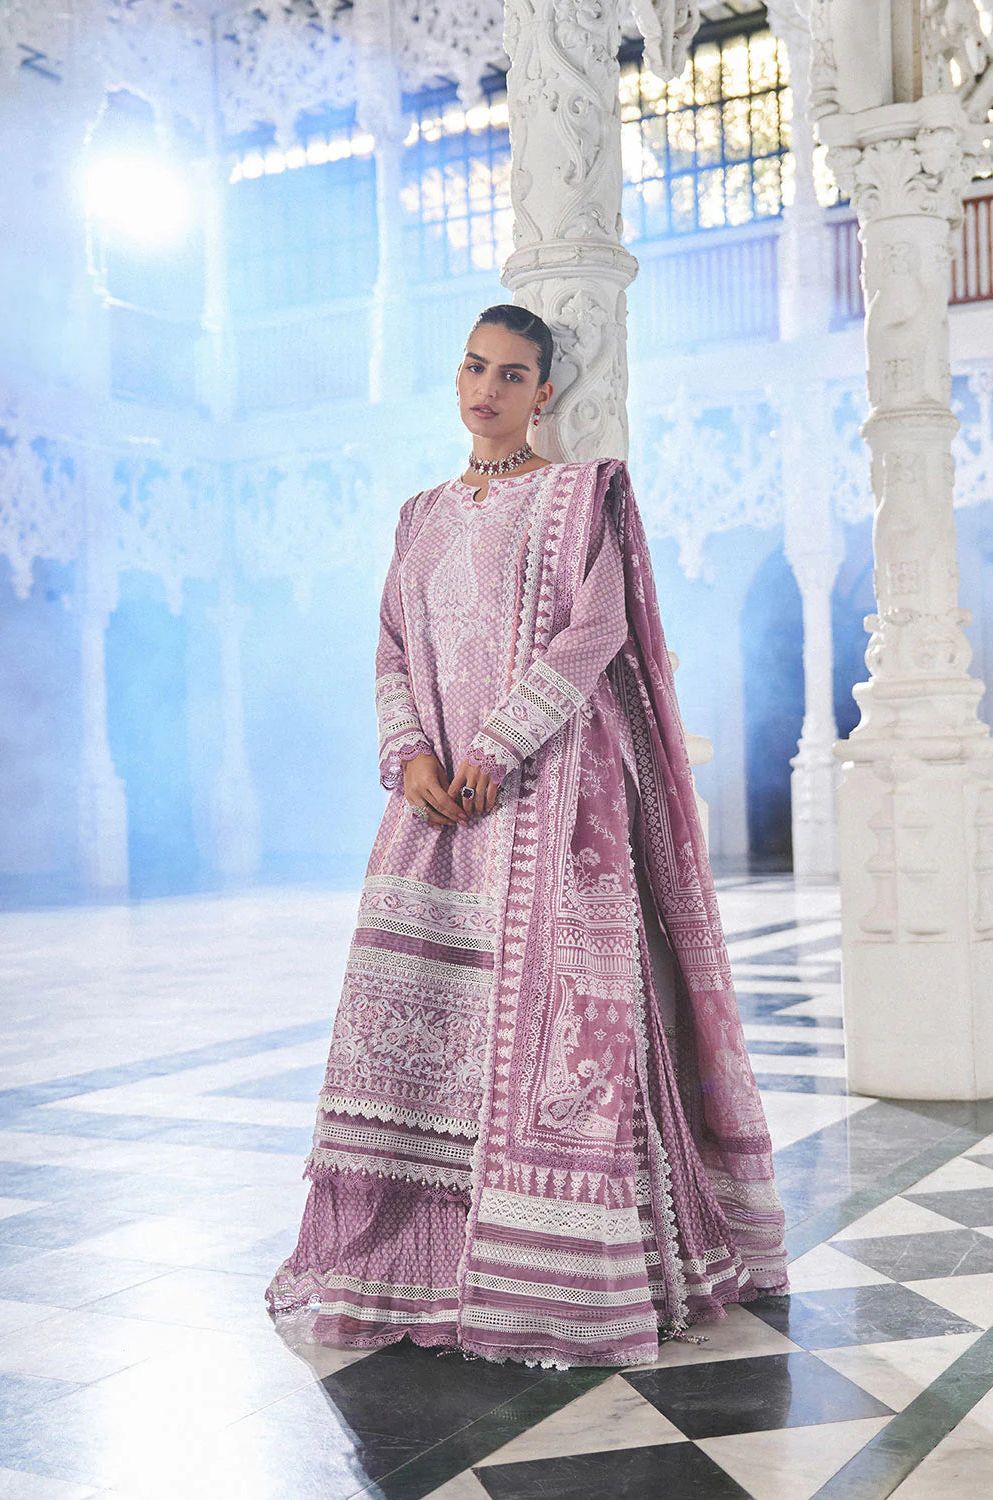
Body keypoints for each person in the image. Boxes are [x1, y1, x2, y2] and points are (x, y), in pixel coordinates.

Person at [265, 303, 788, 1370]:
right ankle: (412, 1263)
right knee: (423, 1026)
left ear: (543, 392)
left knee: (560, 1038)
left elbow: (598, 630)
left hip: (549, 798)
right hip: (434, 807)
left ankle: (550, 1271)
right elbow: (392, 644)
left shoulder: (581, 492)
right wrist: (408, 754)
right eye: (474, 367)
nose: (488, 388)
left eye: (511, 374)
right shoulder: (419, 515)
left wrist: (500, 743)